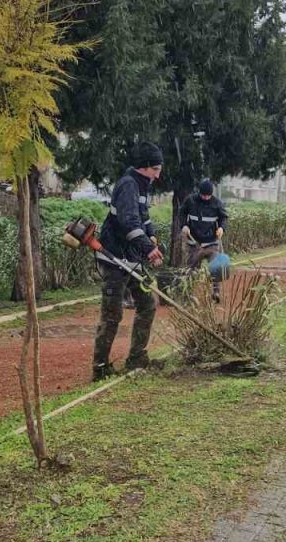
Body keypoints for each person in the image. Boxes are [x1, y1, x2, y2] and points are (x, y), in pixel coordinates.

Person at [92, 141, 165, 381]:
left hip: (132, 259)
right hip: (114, 259)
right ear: (144, 167)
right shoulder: (128, 185)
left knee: (147, 304)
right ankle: (100, 368)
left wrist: (151, 235)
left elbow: (142, 219)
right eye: (155, 168)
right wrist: (148, 249)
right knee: (112, 314)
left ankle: (137, 358)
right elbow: (128, 222)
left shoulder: (142, 186)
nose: (158, 174)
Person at [179, 179, 229, 302]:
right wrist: (184, 225)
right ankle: (188, 295)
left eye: (208, 195)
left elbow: (223, 217)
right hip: (194, 243)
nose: (206, 198)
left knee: (216, 267)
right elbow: (182, 213)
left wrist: (222, 228)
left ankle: (216, 293)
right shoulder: (190, 200)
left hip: (212, 242)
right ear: (199, 192)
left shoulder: (217, 203)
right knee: (191, 269)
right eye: (203, 195)